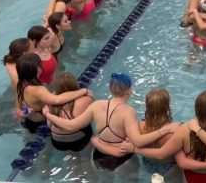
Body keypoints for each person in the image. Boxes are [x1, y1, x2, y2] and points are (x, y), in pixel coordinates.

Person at [44, 73, 178, 171]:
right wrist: (164, 130)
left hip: (98, 156)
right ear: (129, 91)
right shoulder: (128, 111)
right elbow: (138, 141)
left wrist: (48, 114)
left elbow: (71, 125)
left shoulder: (96, 105)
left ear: (110, 89)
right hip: (121, 159)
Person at [16, 54, 89, 133]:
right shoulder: (38, 90)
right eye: (40, 64)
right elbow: (57, 100)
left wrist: (25, 111)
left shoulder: (21, 83)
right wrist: (83, 91)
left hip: (30, 120)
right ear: (37, 69)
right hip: (41, 123)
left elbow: (20, 102)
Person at [48, 72, 95, 151]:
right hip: (79, 139)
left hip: (57, 141)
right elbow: (93, 117)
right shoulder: (86, 99)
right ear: (75, 84)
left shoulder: (50, 100)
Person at [2, 38, 34, 117]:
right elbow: (19, 94)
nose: (35, 49)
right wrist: (19, 110)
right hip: (23, 93)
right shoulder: (17, 75)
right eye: (33, 48)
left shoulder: (10, 61)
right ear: (24, 54)